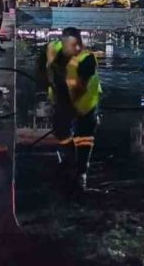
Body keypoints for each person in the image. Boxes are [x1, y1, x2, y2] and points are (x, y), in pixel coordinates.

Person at [46, 27, 102, 192]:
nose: (76, 49)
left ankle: (82, 170)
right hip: (62, 98)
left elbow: (80, 88)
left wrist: (69, 107)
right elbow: (50, 52)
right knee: (60, 130)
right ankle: (70, 158)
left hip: (85, 102)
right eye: (71, 45)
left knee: (84, 136)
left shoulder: (87, 60)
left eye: (78, 44)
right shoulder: (55, 49)